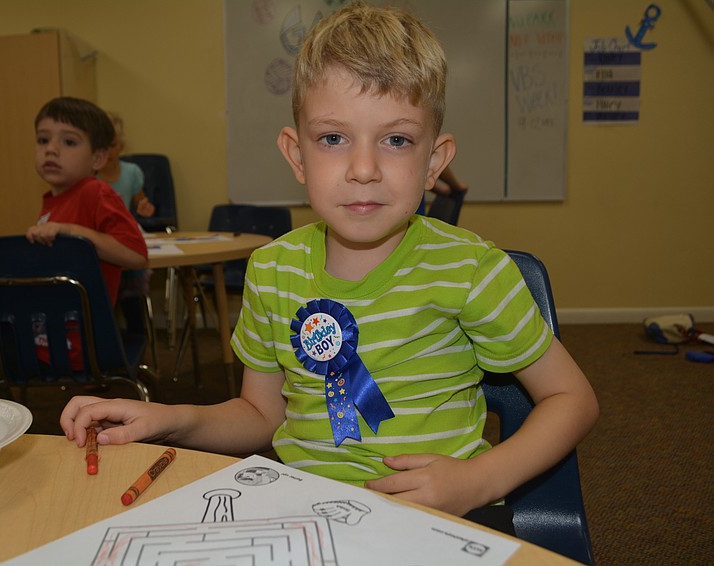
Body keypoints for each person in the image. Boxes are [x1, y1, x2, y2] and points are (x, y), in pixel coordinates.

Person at [59, 3, 598, 531]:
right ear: (297, 155)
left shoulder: (470, 269)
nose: (363, 169)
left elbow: (572, 399)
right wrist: (172, 418)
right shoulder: (273, 270)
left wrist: (479, 480)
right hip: (305, 517)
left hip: (441, 517)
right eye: (333, 138)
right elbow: (260, 416)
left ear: (433, 162)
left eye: (396, 140)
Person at [0, 96, 149, 397]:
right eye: (42, 140)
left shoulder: (96, 193)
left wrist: (72, 231)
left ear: (98, 158)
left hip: (77, 342)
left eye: (69, 142)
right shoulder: (52, 203)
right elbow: (46, 268)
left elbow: (136, 255)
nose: (51, 149)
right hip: (41, 327)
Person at [96, 112, 155, 219]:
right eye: (101, 146)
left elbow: (141, 203)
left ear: (121, 146)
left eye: (112, 145)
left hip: (121, 226)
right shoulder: (86, 174)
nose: (107, 151)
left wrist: (146, 209)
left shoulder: (131, 172)